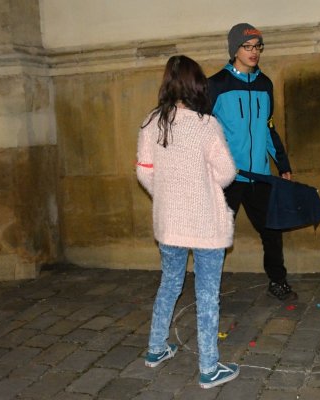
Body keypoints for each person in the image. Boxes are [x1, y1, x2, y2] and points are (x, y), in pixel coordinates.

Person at [136, 55, 239, 389]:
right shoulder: (206, 124)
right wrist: (200, 185)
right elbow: (226, 172)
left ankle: (156, 348)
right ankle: (209, 368)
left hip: (169, 221)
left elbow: (144, 173)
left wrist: (169, 194)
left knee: (169, 283)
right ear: (197, 84)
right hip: (204, 222)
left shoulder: (151, 122)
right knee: (207, 294)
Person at [208, 23, 297, 301]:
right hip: (228, 176)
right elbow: (203, 131)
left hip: (259, 175)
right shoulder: (216, 85)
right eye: (247, 47)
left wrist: (283, 165)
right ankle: (208, 287)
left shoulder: (264, 84)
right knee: (219, 235)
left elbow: (268, 128)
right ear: (234, 50)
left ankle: (278, 281)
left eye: (258, 46)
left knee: (272, 230)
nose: (254, 52)